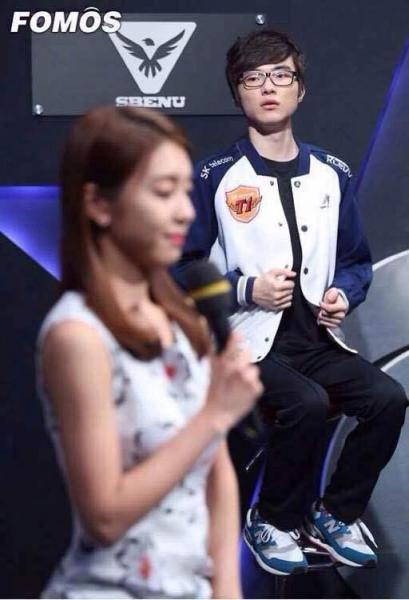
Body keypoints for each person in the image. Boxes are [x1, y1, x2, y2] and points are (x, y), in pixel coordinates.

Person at [172, 29, 408, 576]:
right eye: (253, 78)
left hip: (317, 341)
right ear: (237, 93)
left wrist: (342, 293)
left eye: (281, 75)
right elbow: (180, 270)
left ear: (300, 89)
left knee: (388, 398)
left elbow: (355, 261)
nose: (268, 87)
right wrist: (245, 289)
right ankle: (272, 520)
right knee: (305, 404)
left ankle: (336, 513)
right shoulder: (213, 176)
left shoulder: (332, 174)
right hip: (245, 345)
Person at [36, 106, 263, 598]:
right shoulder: (77, 336)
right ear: (99, 204)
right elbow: (104, 516)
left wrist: (227, 591)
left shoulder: (184, 322)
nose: (185, 211)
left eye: (185, 190)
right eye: (163, 192)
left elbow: (217, 474)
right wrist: (215, 415)